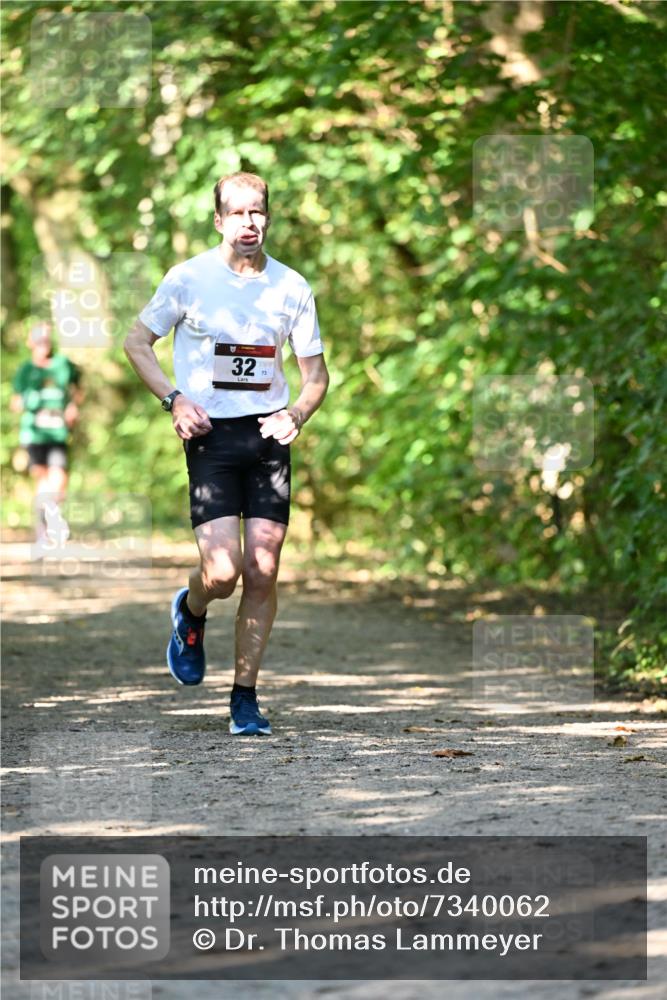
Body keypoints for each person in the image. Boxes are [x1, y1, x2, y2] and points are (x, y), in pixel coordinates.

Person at [124, 171, 329, 735]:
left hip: (267, 438)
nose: (248, 222)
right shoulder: (188, 279)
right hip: (210, 437)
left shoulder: (291, 287)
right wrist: (173, 399)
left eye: (257, 211)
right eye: (236, 212)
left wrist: (297, 413)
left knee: (263, 571)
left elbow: (316, 376)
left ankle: (245, 698)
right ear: (219, 221)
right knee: (223, 572)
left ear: (268, 216)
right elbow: (136, 341)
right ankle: (190, 613)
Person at [10, 321, 83, 545]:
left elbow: (78, 389)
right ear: (31, 342)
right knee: (42, 480)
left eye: (47, 339)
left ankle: (52, 517)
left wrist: (73, 406)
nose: (44, 344)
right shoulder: (25, 370)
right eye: (39, 340)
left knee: (59, 480)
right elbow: (15, 402)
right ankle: (45, 527)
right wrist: (25, 402)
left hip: (58, 433)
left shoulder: (63, 365)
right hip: (34, 433)